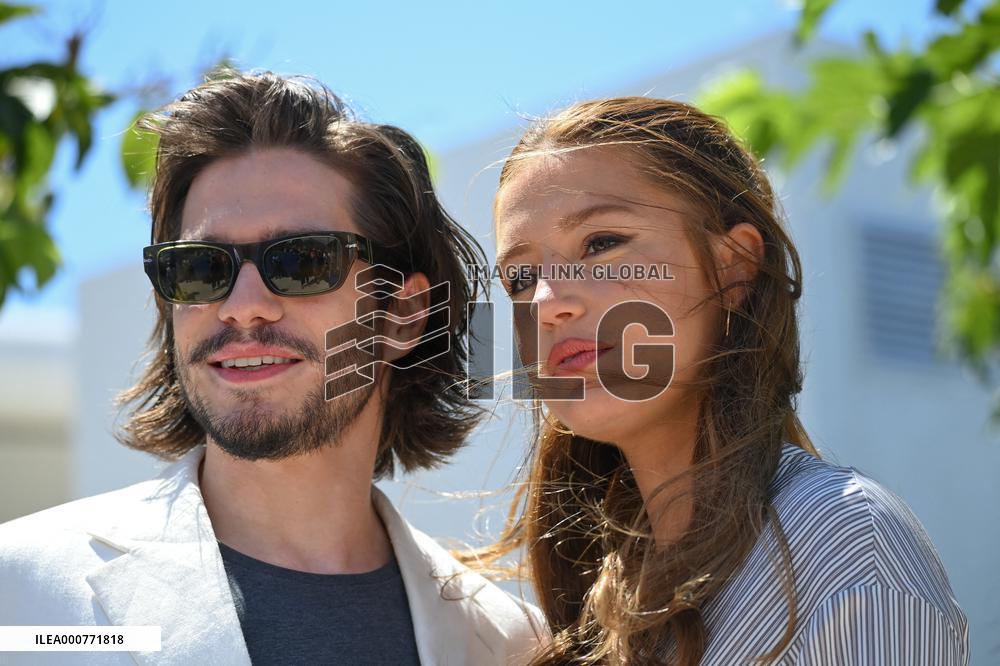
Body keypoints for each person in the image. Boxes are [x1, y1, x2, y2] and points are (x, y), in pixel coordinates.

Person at [0, 72, 545, 665]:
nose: (242, 307)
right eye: (200, 269)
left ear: (404, 315)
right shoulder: (22, 597)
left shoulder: (511, 644)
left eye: (303, 261)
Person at [481, 97, 969, 664]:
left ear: (734, 266)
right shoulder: (592, 607)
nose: (546, 303)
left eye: (601, 243)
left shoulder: (845, 545)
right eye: (520, 276)